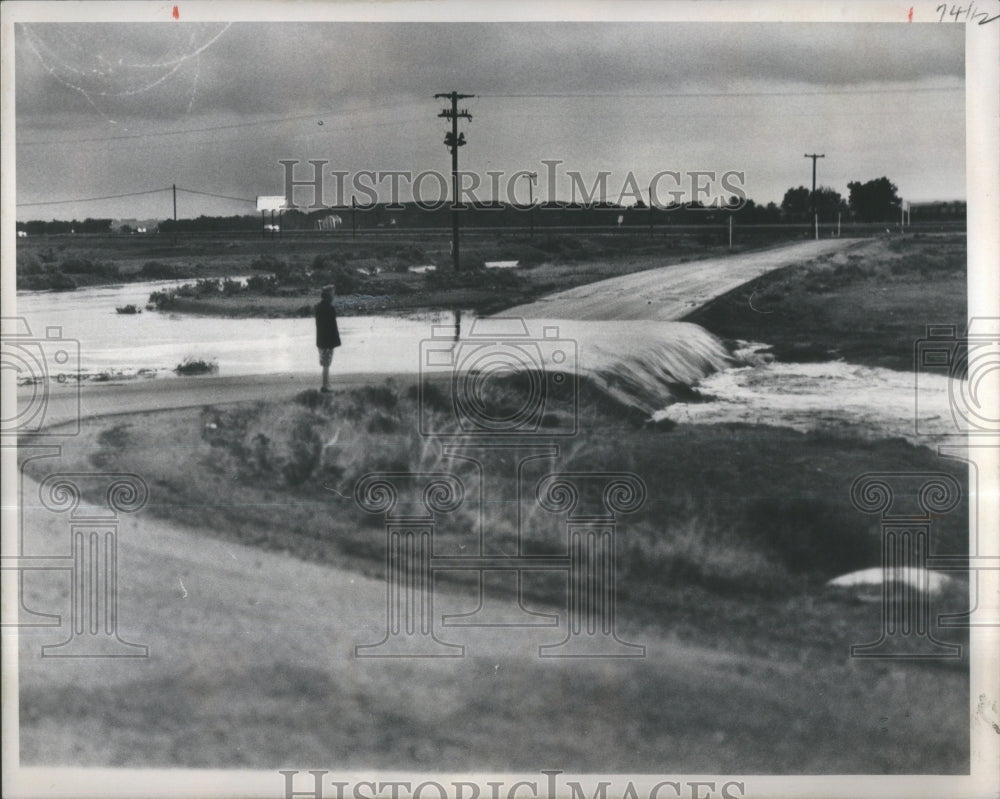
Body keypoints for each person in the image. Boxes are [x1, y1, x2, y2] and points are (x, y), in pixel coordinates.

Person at [314, 285, 341, 392]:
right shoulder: (330, 308)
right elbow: (332, 326)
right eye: (333, 293)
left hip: (321, 339)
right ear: (329, 295)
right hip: (328, 340)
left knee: (325, 363)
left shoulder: (318, 307)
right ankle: (325, 385)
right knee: (326, 364)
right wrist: (336, 341)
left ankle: (326, 384)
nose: (334, 296)